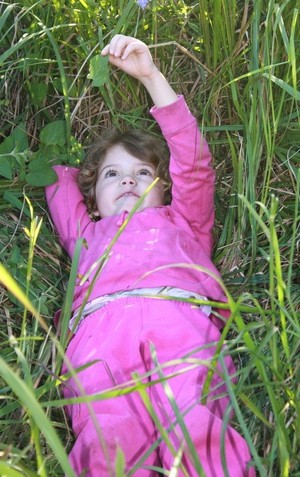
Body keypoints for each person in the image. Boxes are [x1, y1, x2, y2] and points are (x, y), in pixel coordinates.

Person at [46, 35, 256, 477]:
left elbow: (194, 163)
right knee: (108, 437)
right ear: (93, 196)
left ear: (163, 189)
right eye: (111, 174)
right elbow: (52, 174)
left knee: (195, 422)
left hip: (180, 322)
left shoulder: (184, 223)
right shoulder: (87, 237)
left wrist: (152, 77)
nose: (128, 181)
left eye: (144, 172)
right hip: (101, 336)